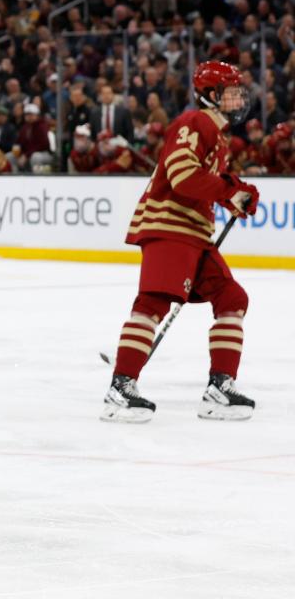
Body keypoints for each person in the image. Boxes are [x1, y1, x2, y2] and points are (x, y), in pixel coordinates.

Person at [101, 61, 259, 423]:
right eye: (230, 91)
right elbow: (183, 175)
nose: (238, 98)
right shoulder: (195, 122)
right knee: (153, 302)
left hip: (195, 235)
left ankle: (220, 387)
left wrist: (235, 192)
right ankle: (120, 386)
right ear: (210, 95)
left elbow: (204, 181)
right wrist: (228, 191)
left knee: (232, 298)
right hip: (170, 227)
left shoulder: (217, 136)